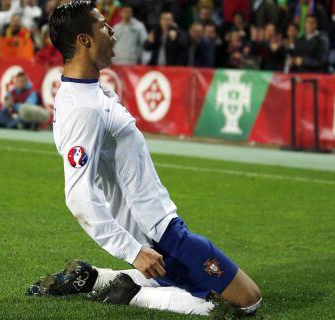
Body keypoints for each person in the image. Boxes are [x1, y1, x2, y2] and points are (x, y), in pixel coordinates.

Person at [27, 1, 263, 318]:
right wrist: (134, 251)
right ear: (84, 39)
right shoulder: (83, 109)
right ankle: (133, 294)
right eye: (102, 25)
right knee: (245, 300)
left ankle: (97, 278)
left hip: (160, 228)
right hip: (159, 236)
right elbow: (78, 195)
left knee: (205, 289)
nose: (111, 31)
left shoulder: (90, 93)